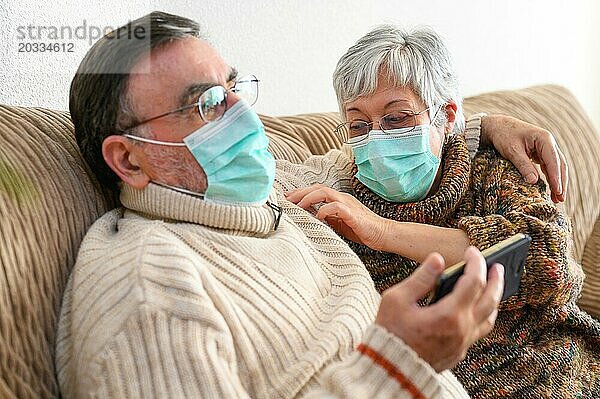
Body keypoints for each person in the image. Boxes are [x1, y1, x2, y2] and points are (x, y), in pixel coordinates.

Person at [56, 12, 567, 398]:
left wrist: (480, 127)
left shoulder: (258, 194)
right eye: (208, 103)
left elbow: (376, 150)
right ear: (129, 160)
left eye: (234, 88)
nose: (245, 118)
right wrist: (396, 364)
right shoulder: (151, 291)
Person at [286, 25, 600, 397]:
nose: (376, 138)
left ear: (446, 116)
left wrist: (383, 231)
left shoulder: (492, 167)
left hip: (567, 373)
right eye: (358, 124)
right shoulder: (339, 198)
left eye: (396, 118)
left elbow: (553, 266)